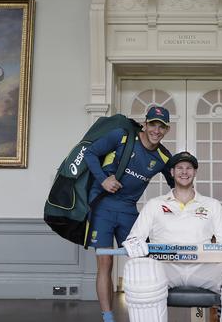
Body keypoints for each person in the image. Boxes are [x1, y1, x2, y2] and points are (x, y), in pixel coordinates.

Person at [121, 151, 222, 322]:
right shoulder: (155, 204)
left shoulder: (212, 205)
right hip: (165, 268)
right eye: (179, 168)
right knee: (141, 272)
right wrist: (134, 246)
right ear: (171, 172)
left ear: (195, 172)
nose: (184, 172)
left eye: (189, 168)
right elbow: (134, 239)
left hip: (203, 268)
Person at [83, 106, 174, 322]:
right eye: (153, 124)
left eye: (162, 127)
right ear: (145, 123)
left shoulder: (163, 156)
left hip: (128, 211)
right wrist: (103, 180)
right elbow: (90, 153)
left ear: (167, 130)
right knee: (105, 263)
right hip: (103, 207)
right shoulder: (122, 137)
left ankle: (143, 314)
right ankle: (108, 317)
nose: (156, 130)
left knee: (142, 261)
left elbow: (176, 183)